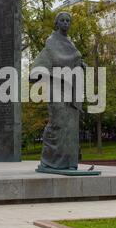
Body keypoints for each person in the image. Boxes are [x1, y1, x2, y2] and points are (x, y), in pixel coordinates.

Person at [31, 12, 85, 171]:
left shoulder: (70, 44)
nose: (66, 23)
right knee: (58, 124)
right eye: (62, 20)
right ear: (57, 23)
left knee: (71, 127)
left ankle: (68, 163)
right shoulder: (51, 44)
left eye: (68, 20)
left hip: (72, 90)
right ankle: (49, 162)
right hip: (56, 89)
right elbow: (36, 72)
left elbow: (76, 61)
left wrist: (81, 66)